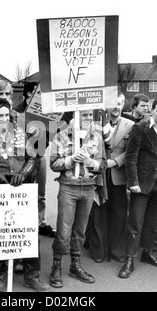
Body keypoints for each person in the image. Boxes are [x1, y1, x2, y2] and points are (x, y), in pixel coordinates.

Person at [0, 97, 50, 292]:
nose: (5, 118)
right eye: (0, 115)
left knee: (28, 233)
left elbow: (33, 158)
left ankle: (32, 276)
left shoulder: (20, 135)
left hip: (22, 193)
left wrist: (23, 173)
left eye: (7, 114)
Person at [49, 110, 106, 288]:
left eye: (90, 115)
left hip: (88, 187)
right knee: (64, 230)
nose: (89, 118)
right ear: (76, 115)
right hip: (68, 187)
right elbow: (53, 164)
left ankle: (75, 265)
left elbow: (103, 164)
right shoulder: (61, 136)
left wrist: (90, 162)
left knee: (80, 230)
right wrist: (70, 160)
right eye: (85, 115)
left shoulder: (96, 136)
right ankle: (56, 266)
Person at [118, 96, 157, 279]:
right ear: (152, 110)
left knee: (152, 224)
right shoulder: (139, 128)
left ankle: (147, 253)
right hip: (140, 186)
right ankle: (129, 260)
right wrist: (133, 182)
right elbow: (130, 158)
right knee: (135, 223)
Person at [88, 92, 135, 263]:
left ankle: (116, 250)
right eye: (113, 103)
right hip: (98, 174)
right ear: (107, 105)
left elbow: (131, 151)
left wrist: (114, 162)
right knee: (98, 212)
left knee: (118, 213)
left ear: (124, 105)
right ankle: (98, 251)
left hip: (117, 174)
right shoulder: (96, 124)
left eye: (120, 103)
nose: (116, 107)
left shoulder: (131, 125)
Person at [13, 82, 56, 238]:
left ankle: (40, 223)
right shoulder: (16, 112)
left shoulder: (46, 112)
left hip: (40, 154)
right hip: (21, 158)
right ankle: (21, 225)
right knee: (22, 191)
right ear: (26, 95)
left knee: (40, 192)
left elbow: (50, 136)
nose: (36, 97)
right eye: (33, 93)